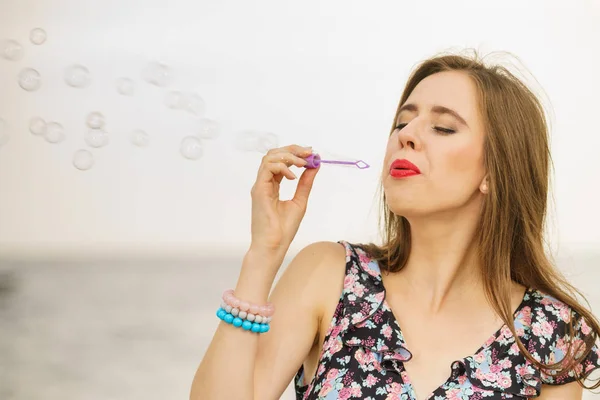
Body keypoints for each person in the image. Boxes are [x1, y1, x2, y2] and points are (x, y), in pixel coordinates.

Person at [190, 50, 600, 400]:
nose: (406, 136)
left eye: (442, 127)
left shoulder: (553, 334)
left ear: (495, 170)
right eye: (402, 123)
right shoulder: (329, 276)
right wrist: (264, 252)